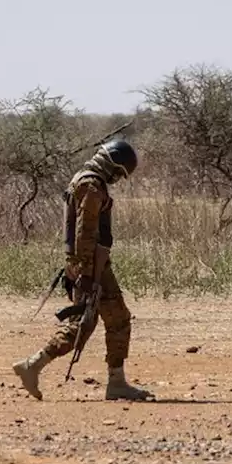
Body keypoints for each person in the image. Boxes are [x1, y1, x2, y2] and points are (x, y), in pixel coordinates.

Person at [12, 139, 155, 402]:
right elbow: (85, 232)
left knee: (84, 323)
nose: (117, 179)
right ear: (112, 164)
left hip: (83, 264)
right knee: (115, 319)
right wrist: (88, 274)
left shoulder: (83, 178)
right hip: (91, 265)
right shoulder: (92, 185)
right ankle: (116, 383)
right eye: (119, 173)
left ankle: (33, 365)